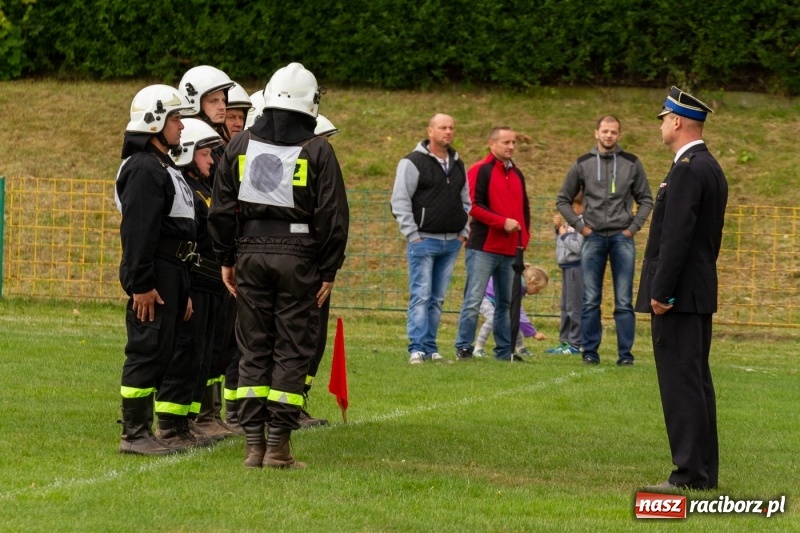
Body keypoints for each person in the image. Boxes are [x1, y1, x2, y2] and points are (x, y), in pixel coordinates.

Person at [208, 63, 349, 469]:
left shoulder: (239, 146)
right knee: (291, 348)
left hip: (249, 253)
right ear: (311, 103)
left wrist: (227, 258)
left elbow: (220, 210)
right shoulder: (318, 149)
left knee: (253, 345)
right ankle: (279, 447)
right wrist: (328, 270)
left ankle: (253, 445)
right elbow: (332, 216)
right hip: (299, 257)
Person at [636, 87, 727, 491]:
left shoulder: (688, 168)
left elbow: (677, 237)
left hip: (679, 295)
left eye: (663, 119)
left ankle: (689, 474)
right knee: (695, 381)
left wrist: (662, 291)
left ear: (676, 121)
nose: (661, 126)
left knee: (681, 382)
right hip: (696, 290)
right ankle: (702, 472)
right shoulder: (709, 166)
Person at [114, 84, 196, 455]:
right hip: (156, 273)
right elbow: (139, 232)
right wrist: (142, 284)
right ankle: (134, 433)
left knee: (163, 350)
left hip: (173, 270)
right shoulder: (144, 169)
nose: (181, 125)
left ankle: (145, 431)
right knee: (147, 348)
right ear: (154, 122)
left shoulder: (165, 166)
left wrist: (185, 287)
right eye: (175, 118)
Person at [556, 115, 653, 366]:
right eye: (605, 131)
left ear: (619, 135)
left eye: (614, 132)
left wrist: (632, 228)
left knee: (624, 300)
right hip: (593, 238)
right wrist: (581, 227)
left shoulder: (632, 163)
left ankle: (625, 356)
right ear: (596, 133)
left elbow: (646, 199)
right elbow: (563, 200)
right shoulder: (583, 163)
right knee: (590, 300)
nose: (609, 135)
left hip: (622, 238)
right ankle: (590, 352)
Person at [158, 118, 230, 445]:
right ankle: (172, 426)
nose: (211, 160)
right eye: (204, 154)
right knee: (186, 354)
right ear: (187, 153)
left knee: (204, 356)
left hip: (214, 286)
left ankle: (190, 421)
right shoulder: (185, 191)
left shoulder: (205, 189)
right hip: (196, 283)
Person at [179, 64, 238, 438]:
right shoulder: (186, 146)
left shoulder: (217, 143)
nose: (221, 107)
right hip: (196, 267)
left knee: (218, 343)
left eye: (223, 99)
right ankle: (197, 414)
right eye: (213, 100)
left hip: (218, 263)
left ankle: (210, 412)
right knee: (195, 345)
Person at [391, 113, 470, 364]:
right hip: (423, 240)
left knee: (437, 298)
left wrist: (463, 232)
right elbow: (400, 200)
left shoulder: (458, 163)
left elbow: (466, 200)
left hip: (451, 242)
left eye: (451, 127)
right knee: (421, 295)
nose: (448, 131)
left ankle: (431, 347)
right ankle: (416, 348)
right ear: (430, 131)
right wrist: (412, 235)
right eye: (442, 127)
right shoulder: (412, 162)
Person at [454, 126, 531, 362]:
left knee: (506, 302)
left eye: (513, 142)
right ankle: (463, 348)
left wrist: (523, 241)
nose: (510, 146)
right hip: (483, 248)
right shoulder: (480, 170)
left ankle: (504, 351)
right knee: (474, 299)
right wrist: (501, 222)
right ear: (492, 144)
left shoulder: (517, 173)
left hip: (510, 250)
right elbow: (472, 206)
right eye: (506, 142)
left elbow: (524, 211)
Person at [298, 113, 342, 429]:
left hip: (315, 264)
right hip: (301, 266)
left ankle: (298, 398)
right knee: (299, 337)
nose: (327, 148)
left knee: (315, 338)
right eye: (322, 141)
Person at [474, 265, 548, 358]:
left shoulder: (520, 285)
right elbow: (518, 312)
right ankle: (478, 348)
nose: (537, 292)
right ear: (531, 281)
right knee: (492, 319)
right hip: (486, 297)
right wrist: (533, 333)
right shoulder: (517, 286)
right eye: (537, 289)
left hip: (497, 299)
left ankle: (520, 348)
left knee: (513, 319)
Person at [546, 191, 584, 355]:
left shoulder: (583, 223)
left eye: (573, 206)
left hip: (577, 268)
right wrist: (558, 230)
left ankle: (576, 343)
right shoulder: (570, 223)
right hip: (566, 267)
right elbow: (563, 244)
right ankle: (564, 341)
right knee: (565, 306)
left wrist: (564, 235)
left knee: (574, 306)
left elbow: (578, 247)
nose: (569, 209)